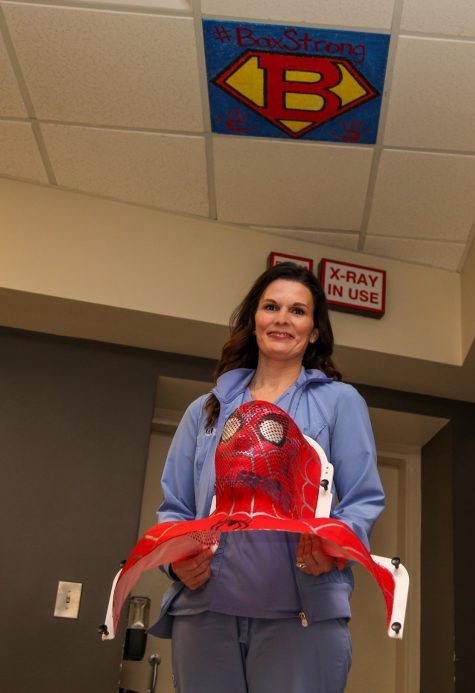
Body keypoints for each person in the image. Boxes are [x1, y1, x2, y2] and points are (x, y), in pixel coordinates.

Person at [147, 262, 385, 693]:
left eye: (298, 311)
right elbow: (175, 510)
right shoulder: (203, 412)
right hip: (204, 617)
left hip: (301, 617)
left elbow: (362, 500)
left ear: (314, 331)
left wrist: (334, 548)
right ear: (253, 320)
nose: (282, 318)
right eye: (271, 306)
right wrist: (178, 561)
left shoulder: (340, 403)